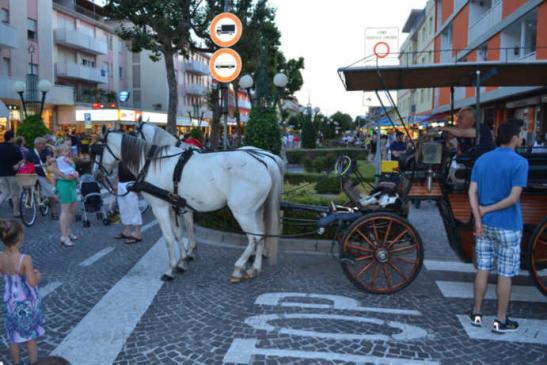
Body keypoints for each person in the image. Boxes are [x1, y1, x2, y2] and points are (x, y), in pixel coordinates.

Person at [468, 120, 528, 334]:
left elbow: (471, 191)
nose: (522, 137)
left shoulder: (483, 159)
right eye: (521, 133)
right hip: (508, 225)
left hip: (484, 225)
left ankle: (476, 313)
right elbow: (513, 198)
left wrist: (478, 216)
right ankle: (500, 319)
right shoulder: (520, 162)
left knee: (483, 269)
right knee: (505, 273)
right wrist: (487, 210)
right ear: (514, 137)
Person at [0, 219, 45, 364]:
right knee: (30, 338)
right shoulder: (25, 259)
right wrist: (38, 275)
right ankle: (33, 363)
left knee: (13, 338)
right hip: (25, 303)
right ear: (20, 236)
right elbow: (31, 282)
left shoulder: (1, 257)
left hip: (9, 303)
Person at [25, 137, 59, 219]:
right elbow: (27, 162)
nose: (44, 145)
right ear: (37, 144)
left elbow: (48, 159)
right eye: (43, 143)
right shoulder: (30, 152)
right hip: (33, 173)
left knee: (51, 193)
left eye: (44, 143)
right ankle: (32, 201)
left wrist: (47, 163)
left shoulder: (46, 151)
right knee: (28, 187)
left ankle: (54, 212)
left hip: (43, 174)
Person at [55, 144, 79, 247]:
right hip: (64, 185)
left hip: (72, 185)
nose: (67, 152)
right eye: (65, 150)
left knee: (72, 210)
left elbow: (72, 170)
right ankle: (64, 236)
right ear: (60, 152)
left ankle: (68, 231)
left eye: (68, 150)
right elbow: (55, 173)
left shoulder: (68, 159)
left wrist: (76, 173)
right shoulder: (58, 160)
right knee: (65, 211)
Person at [114, 162, 143, 244]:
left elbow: (139, 170)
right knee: (123, 208)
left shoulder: (132, 154)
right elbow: (119, 170)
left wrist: (138, 186)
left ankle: (138, 234)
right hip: (121, 183)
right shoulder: (120, 155)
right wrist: (117, 183)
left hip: (130, 183)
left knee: (133, 208)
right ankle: (127, 231)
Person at [0, 131, 24, 217]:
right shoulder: (15, 147)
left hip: (1, 174)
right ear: (11, 138)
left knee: (4, 192)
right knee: (15, 194)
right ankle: (16, 212)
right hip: (12, 174)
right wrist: (17, 165)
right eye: (14, 136)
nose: (15, 138)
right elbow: (21, 160)